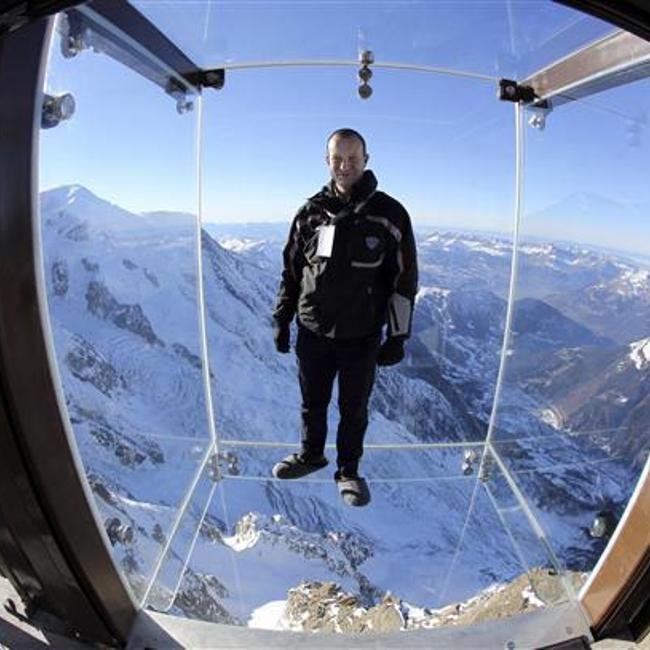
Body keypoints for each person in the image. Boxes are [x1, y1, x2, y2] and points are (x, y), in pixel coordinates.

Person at [271, 128, 418, 507]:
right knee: (312, 402)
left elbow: (404, 279)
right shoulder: (310, 213)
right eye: (337, 158)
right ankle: (311, 454)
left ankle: (348, 471)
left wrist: (398, 336)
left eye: (352, 158)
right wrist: (282, 318)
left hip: (361, 335)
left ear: (366, 160)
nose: (345, 165)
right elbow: (291, 270)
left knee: (354, 409)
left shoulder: (390, 214)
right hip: (312, 330)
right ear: (327, 161)